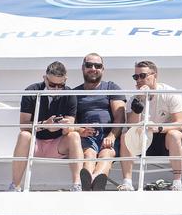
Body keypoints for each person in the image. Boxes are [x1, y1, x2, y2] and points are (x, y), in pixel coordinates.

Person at [8, 61, 85, 192]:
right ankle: (15, 186)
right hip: (35, 144)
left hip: (58, 145)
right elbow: (23, 125)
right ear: (45, 78)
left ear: (65, 80)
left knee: (74, 136)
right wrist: (45, 125)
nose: (56, 89)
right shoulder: (31, 91)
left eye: (60, 85)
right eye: (52, 85)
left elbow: (70, 127)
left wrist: (64, 127)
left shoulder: (69, 94)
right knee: (24, 135)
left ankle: (77, 185)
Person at [121, 60, 182, 191]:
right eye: (136, 77)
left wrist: (159, 128)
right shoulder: (134, 99)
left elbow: (180, 123)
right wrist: (139, 102)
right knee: (125, 136)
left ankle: (177, 182)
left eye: (143, 76)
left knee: (174, 135)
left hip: (167, 140)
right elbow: (131, 127)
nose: (139, 80)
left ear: (155, 76)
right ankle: (127, 183)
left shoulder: (170, 93)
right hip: (145, 142)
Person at [73, 53, 125, 191]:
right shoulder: (74, 93)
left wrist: (112, 136)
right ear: (83, 68)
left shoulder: (111, 87)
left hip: (108, 135)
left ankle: (93, 179)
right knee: (88, 154)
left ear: (103, 69)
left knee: (106, 154)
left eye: (98, 66)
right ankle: (91, 180)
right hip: (86, 137)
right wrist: (79, 130)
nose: (93, 68)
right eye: (89, 65)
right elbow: (71, 121)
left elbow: (120, 116)